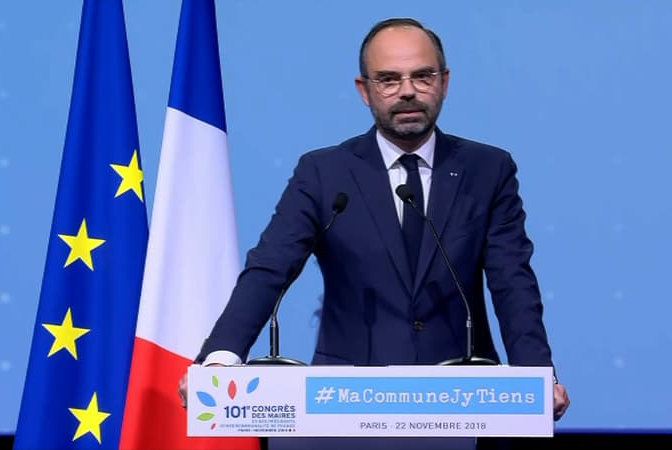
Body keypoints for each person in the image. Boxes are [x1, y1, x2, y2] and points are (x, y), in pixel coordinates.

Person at [179, 17, 569, 449]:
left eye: (422, 76)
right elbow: (270, 267)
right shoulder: (324, 173)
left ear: (444, 82)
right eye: (388, 79)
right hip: (344, 407)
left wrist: (537, 376)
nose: (407, 91)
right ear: (364, 90)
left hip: (466, 401)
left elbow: (512, 282)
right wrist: (221, 358)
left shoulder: (487, 169)